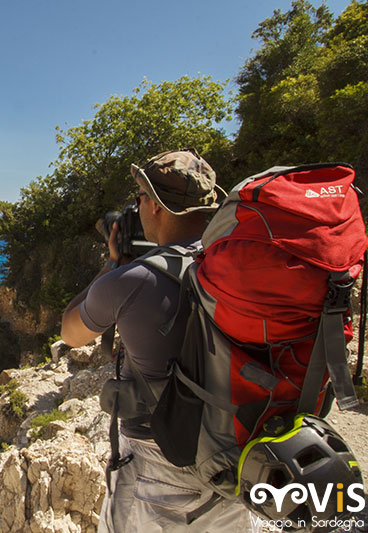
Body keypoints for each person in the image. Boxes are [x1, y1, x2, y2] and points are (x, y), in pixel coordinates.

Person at [60, 150, 254, 532]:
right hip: (237, 460)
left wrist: (112, 266)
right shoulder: (240, 267)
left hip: (159, 469)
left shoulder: (134, 281)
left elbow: (70, 330)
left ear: (157, 207)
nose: (138, 207)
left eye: (140, 198)